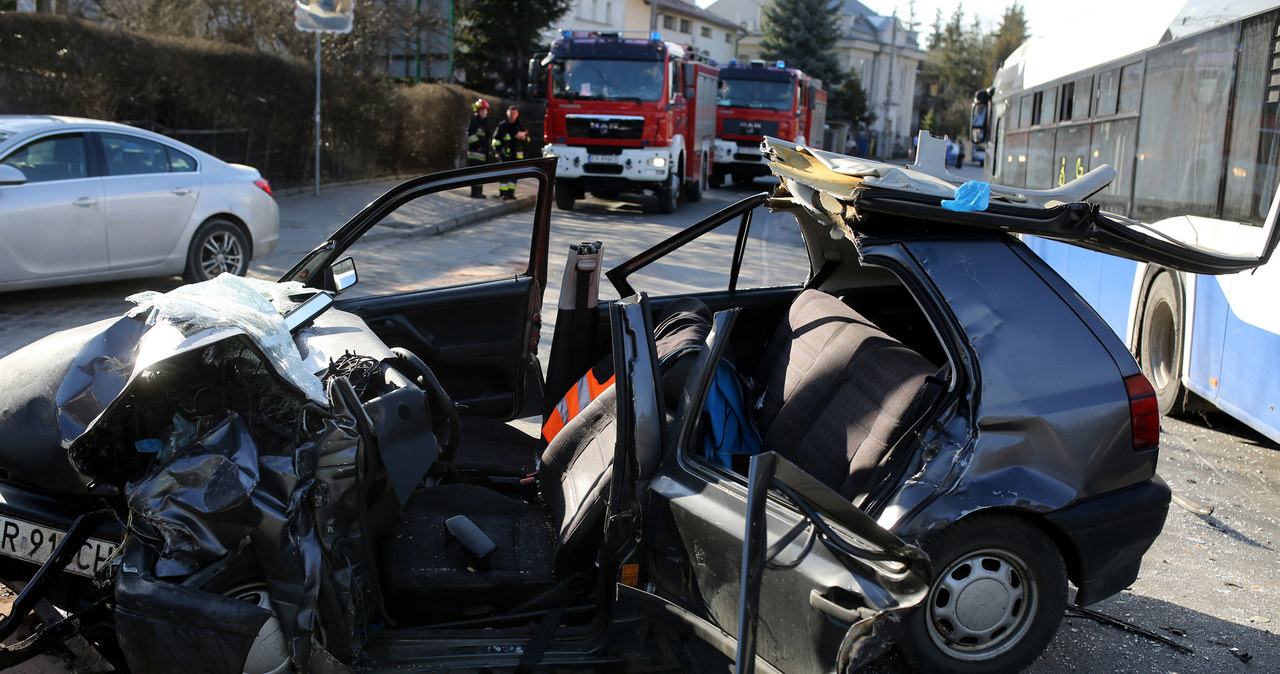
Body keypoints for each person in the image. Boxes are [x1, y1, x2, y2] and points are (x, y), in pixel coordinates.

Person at [491, 105, 528, 200]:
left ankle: (511, 193)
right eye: (511, 113)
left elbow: (527, 140)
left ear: (517, 114)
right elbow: (496, 140)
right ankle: (503, 194)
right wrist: (497, 151)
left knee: (514, 175)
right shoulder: (502, 126)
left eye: (514, 114)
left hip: (517, 155)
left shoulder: (521, 125)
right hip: (505, 155)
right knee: (504, 174)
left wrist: (524, 137)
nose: (512, 115)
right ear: (507, 113)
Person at [466, 99, 491, 198]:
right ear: (478, 111)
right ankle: (475, 193)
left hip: (483, 154)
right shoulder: (475, 121)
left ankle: (479, 192)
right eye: (482, 110)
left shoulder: (484, 122)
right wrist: (478, 145)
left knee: (481, 174)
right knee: (476, 173)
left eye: (485, 110)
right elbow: (471, 135)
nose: (484, 112)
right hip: (475, 153)